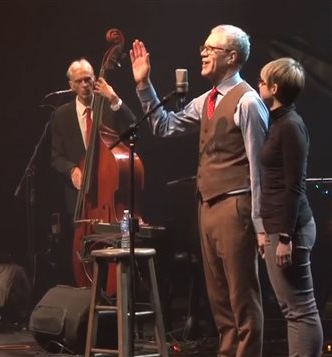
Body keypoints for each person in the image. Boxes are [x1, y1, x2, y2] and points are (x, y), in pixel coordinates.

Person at [130, 25, 269, 356]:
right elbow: (163, 125)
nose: (202, 53)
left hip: (235, 207)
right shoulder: (206, 100)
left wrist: (261, 225)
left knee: (242, 300)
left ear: (231, 57)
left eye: (211, 49)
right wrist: (143, 84)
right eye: (203, 47)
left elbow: (259, 169)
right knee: (219, 300)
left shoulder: (247, 101)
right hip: (206, 208)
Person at [49, 58, 137, 284]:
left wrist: (114, 98)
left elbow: (133, 128)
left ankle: (119, 292)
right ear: (71, 85)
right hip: (82, 200)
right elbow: (56, 158)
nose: (85, 85)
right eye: (79, 81)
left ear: (95, 79)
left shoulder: (108, 105)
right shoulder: (61, 115)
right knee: (82, 253)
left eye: (89, 80)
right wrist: (72, 171)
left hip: (112, 200)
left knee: (121, 250)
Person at [258, 57, 323, 356]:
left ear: (275, 87)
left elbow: (295, 185)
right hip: (277, 227)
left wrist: (285, 237)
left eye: (261, 81)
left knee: (301, 309)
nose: (258, 85)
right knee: (291, 309)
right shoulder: (279, 122)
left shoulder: (291, 126)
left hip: (290, 230)